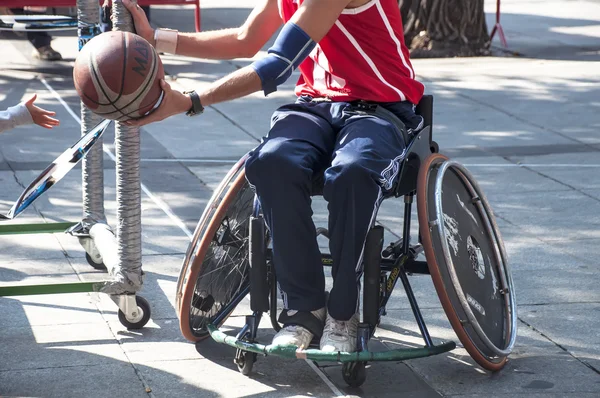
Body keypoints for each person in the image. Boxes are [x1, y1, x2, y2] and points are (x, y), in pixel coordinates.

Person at [122, 0, 424, 353]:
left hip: (380, 107)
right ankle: (304, 309)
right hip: (317, 104)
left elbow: (277, 65)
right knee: (271, 161)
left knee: (352, 173)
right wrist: (155, 38)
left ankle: (343, 314)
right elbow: (244, 39)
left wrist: (191, 101)